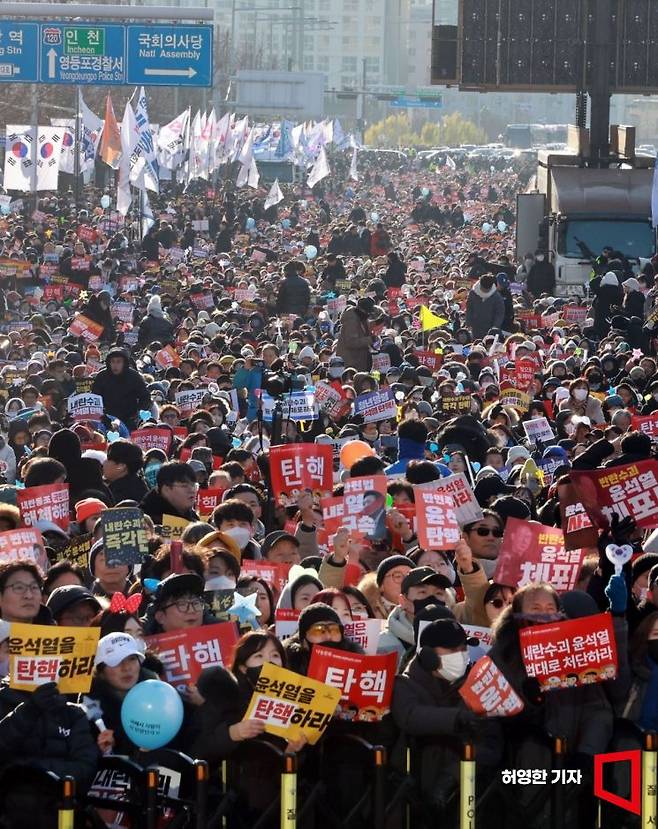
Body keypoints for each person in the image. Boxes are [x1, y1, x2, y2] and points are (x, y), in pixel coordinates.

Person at [392, 619, 501, 814]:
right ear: (427, 655)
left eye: (463, 649)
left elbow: (488, 743)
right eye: (452, 650)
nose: (460, 656)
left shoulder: (474, 684)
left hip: (465, 794)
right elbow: (411, 716)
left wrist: (452, 777)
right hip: (413, 796)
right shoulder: (404, 685)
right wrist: (458, 718)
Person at [91, 347, 151, 430]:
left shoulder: (134, 376)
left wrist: (138, 413)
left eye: (118, 362)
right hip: (106, 419)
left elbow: (145, 397)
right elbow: (95, 398)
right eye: (113, 362)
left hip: (129, 419)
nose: (115, 365)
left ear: (124, 363)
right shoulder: (101, 376)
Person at [336, 297, 375, 373]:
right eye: (367, 311)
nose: (368, 314)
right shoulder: (352, 320)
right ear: (361, 309)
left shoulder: (361, 318)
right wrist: (370, 339)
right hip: (351, 362)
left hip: (358, 360)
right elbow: (351, 342)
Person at [465, 274, 505, 340]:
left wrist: (495, 326)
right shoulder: (473, 293)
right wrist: (468, 324)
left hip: (489, 329)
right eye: (483, 289)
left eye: (487, 290)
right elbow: (469, 309)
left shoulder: (497, 297)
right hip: (475, 327)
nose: (485, 291)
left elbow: (499, 313)